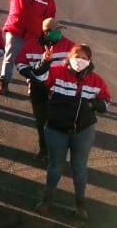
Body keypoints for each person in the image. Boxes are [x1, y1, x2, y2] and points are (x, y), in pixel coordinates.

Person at [30, 43, 111, 219]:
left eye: (84, 58)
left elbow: (105, 103)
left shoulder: (97, 81)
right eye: (76, 56)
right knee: (55, 166)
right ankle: (47, 200)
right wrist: (44, 61)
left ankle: (80, 205)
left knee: (79, 168)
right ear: (69, 57)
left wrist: (92, 104)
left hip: (83, 131)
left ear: (89, 61)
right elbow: (39, 76)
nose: (79, 61)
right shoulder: (57, 72)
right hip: (56, 129)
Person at [16, 18, 76, 163]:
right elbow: (20, 64)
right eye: (57, 31)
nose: (60, 33)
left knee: (59, 122)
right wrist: (33, 76)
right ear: (46, 32)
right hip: (38, 90)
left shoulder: (70, 47)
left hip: (61, 91)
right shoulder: (31, 46)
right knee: (42, 122)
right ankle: (44, 150)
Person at [0, 0, 56, 94]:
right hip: (15, 31)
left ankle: (33, 85)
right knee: (9, 58)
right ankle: (4, 84)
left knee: (33, 62)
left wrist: (47, 37)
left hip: (33, 37)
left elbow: (49, 20)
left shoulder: (48, 0)